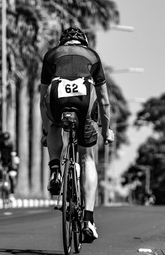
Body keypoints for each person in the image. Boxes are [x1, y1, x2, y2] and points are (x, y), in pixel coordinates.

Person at [40, 27, 114, 243]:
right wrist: (105, 129)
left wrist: (47, 130)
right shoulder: (93, 56)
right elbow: (105, 100)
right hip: (84, 101)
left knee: (55, 126)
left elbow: (42, 98)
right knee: (87, 158)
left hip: (57, 97)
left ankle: (55, 170)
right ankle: (89, 221)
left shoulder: (52, 54)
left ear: (64, 42)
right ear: (84, 41)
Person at [0, 132, 19, 200]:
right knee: (0, 174)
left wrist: (13, 164)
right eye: (4, 139)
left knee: (12, 177)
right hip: (3, 162)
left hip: (11, 162)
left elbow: (13, 155)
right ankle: (1, 192)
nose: (5, 141)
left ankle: (11, 194)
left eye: (7, 139)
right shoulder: (0, 144)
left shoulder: (11, 145)